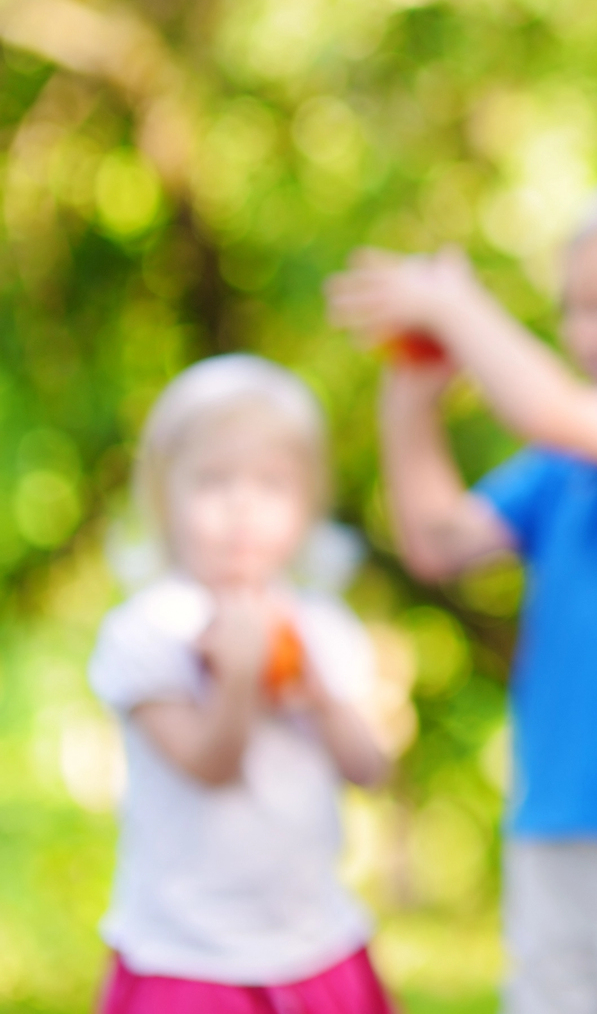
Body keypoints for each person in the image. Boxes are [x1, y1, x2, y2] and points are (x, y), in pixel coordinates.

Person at [325, 168, 597, 1014]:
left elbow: (547, 408)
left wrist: (459, 308)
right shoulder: (564, 466)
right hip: (557, 809)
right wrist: (410, 402)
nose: (577, 329)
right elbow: (438, 540)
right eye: (570, 308)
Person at [88, 354, 394, 1013]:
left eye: (272, 484)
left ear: (308, 504)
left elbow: (370, 768)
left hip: (314, 938)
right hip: (190, 951)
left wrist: (320, 693)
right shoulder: (150, 629)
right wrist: (238, 681)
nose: (242, 507)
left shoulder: (321, 625)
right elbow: (210, 764)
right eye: (212, 481)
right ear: (163, 498)